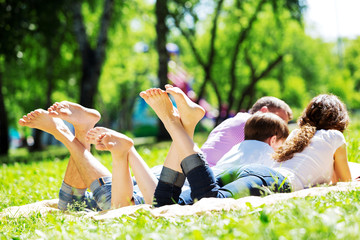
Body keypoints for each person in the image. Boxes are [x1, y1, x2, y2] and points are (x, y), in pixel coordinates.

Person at [139, 89, 352, 207]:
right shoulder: (335, 137)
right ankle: (178, 125)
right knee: (210, 201)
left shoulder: (298, 134)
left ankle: (184, 125)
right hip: (272, 181)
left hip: (252, 173)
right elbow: (344, 183)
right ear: (340, 120)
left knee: (165, 203)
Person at [18, 102, 158, 211]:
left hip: (148, 179)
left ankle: (80, 130)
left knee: (69, 204)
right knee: (111, 206)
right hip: (150, 186)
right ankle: (64, 133)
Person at [201, 96, 292, 167]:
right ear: (263, 111)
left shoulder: (236, 120)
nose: (282, 128)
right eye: (280, 120)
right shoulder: (249, 125)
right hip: (211, 178)